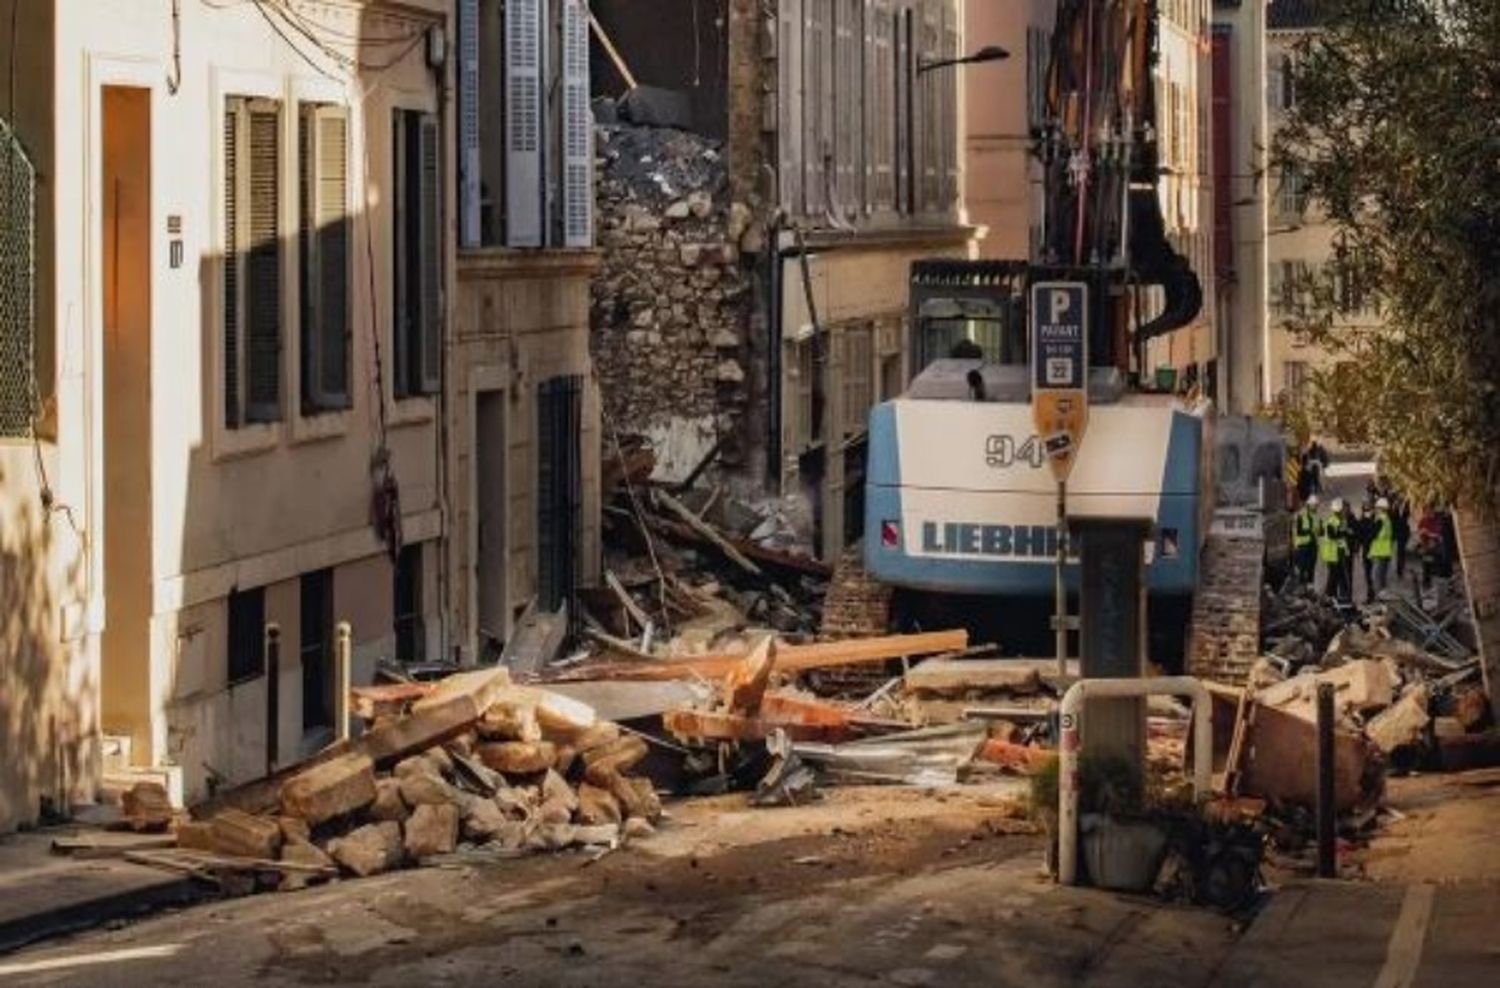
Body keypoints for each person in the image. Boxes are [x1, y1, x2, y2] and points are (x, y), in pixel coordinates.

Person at [1320, 497, 1351, 603]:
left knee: (1338, 576)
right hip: (1332, 554)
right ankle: (1329, 596)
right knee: (1333, 576)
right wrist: (1345, 532)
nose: (1344, 511)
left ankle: (1334, 597)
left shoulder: (1340, 520)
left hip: (1338, 553)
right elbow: (1333, 535)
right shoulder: (1331, 521)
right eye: (1343, 509)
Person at [1368, 496, 1396, 597]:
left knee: (1376, 578)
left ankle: (1379, 600)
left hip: (1379, 552)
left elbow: (1372, 534)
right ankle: (1383, 600)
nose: (1375, 510)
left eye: (1377, 508)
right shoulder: (1387, 520)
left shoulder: (1380, 520)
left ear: (1380, 508)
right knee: (1382, 578)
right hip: (1386, 552)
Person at [1292, 495, 1320, 585]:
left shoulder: (1316, 516)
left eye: (1317, 505)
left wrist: (1319, 531)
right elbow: (1298, 531)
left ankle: (1310, 586)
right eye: (1315, 505)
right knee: (1302, 569)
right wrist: (1310, 531)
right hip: (1303, 546)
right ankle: (1301, 587)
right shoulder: (1301, 515)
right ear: (1309, 505)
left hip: (1313, 544)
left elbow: (1320, 530)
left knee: (1311, 567)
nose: (1316, 507)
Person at [1353, 502, 1377, 603]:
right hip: (1367, 550)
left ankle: (1373, 593)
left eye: (1368, 510)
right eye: (1365, 510)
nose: (1367, 512)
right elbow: (1358, 537)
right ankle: (1371, 594)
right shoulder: (1363, 522)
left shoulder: (1375, 521)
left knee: (1373, 574)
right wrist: (1357, 549)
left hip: (1374, 550)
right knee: (1368, 574)